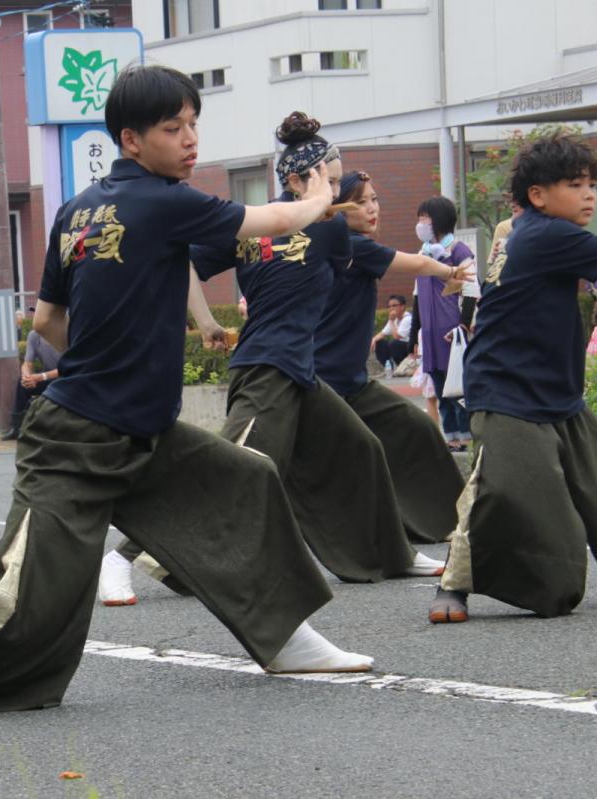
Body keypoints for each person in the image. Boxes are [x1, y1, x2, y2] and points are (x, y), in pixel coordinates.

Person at [0, 65, 372, 733]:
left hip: (138, 425)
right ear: (131, 139)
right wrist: (323, 186)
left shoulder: (79, 210)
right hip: (76, 439)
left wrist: (109, 357)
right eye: (172, 128)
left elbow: (47, 321)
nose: (189, 140)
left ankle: (285, 640)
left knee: (246, 478)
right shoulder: (165, 202)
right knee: (18, 588)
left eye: (193, 125)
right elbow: (282, 216)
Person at [99, 113, 444, 607]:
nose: (334, 187)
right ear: (294, 180)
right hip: (265, 368)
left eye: (337, 176)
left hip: (300, 372)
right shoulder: (254, 227)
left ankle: (392, 554)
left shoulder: (331, 232)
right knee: (233, 468)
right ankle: (121, 558)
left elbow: (361, 273)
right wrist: (205, 323)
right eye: (326, 177)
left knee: (360, 448)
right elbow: (181, 264)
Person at [429, 132, 597, 624]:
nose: (588, 194)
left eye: (591, 185)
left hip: (557, 393)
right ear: (538, 195)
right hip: (506, 391)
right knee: (499, 490)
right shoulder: (548, 233)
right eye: (574, 184)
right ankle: (452, 585)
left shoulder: (529, 229)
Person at [313, 169, 470, 545]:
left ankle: (447, 523)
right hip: (322, 381)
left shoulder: (347, 246)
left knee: (413, 429)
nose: (372, 209)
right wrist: (451, 271)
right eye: (361, 201)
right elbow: (415, 264)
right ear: (336, 209)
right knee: (331, 458)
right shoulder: (352, 245)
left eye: (375, 199)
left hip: (350, 381)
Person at [409, 196, 474, 451]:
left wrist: (463, 325)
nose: (421, 223)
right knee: (438, 385)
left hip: (451, 332)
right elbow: (416, 295)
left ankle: (467, 436)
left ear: (439, 220)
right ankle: (451, 438)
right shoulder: (422, 254)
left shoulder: (458, 251)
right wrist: (414, 334)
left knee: (457, 385)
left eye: (424, 218)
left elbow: (472, 290)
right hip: (430, 333)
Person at [1, 326, 61, 441]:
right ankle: (16, 428)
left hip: (68, 378)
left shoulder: (66, 333)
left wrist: (40, 377)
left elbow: (68, 368)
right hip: (47, 377)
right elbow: (27, 363)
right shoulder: (34, 336)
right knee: (22, 383)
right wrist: (26, 376)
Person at [372, 294, 411, 371]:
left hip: (411, 350)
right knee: (379, 342)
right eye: (389, 306)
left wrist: (392, 321)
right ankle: (390, 368)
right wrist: (374, 340)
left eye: (394, 306)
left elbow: (397, 337)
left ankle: (403, 368)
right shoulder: (394, 319)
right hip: (400, 347)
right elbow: (382, 334)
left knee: (394, 343)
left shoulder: (408, 319)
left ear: (402, 306)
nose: (391, 308)